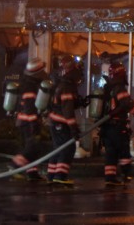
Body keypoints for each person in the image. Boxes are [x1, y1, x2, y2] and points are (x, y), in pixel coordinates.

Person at [101, 61, 134, 186]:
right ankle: (125, 174)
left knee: (110, 152)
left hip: (106, 127)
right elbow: (126, 104)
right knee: (124, 151)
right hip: (118, 127)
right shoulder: (119, 88)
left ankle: (110, 177)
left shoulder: (108, 87)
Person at [47, 55, 84, 186]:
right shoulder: (67, 86)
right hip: (61, 123)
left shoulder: (62, 84)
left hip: (55, 122)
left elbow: (64, 104)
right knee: (68, 148)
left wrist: (78, 102)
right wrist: (74, 129)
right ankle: (61, 176)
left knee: (58, 148)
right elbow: (67, 111)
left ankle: (51, 175)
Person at [12, 57, 49, 181]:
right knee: (31, 147)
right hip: (27, 122)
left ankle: (32, 173)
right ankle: (15, 166)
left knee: (33, 147)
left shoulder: (29, 83)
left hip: (23, 121)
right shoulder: (30, 86)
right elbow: (29, 108)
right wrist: (34, 123)